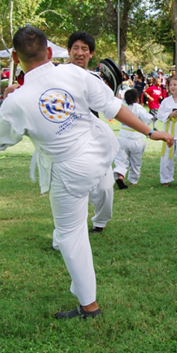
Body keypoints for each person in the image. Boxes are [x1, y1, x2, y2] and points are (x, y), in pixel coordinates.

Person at [0, 26, 173, 319]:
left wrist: (8, 101)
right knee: (95, 195)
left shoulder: (18, 101)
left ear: (14, 57)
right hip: (99, 150)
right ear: (50, 52)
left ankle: (89, 307)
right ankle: (101, 208)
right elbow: (113, 107)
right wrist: (151, 132)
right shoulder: (72, 73)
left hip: (69, 167)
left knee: (70, 234)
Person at [66, 31, 114, 234]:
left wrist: (149, 132)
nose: (79, 52)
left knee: (104, 188)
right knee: (71, 192)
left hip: (95, 142)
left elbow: (113, 106)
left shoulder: (96, 80)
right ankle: (68, 230)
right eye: (75, 48)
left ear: (91, 54)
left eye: (84, 49)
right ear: (69, 51)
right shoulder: (58, 77)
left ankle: (100, 222)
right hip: (68, 143)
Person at [113, 89, 152, 188]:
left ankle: (120, 176)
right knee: (135, 162)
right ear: (137, 98)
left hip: (123, 137)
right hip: (137, 139)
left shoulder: (124, 108)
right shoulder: (139, 108)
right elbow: (147, 119)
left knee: (121, 159)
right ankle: (133, 181)